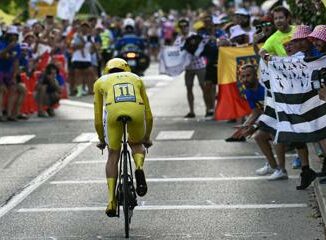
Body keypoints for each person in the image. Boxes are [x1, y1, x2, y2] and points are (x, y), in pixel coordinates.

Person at [93, 58, 153, 217]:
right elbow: (148, 113)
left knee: (113, 154)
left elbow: (98, 116)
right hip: (136, 112)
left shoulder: (100, 81)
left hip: (113, 113)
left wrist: (101, 139)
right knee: (136, 143)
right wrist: (147, 137)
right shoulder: (136, 78)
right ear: (126, 69)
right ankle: (139, 168)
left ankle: (111, 200)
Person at [174, 18, 209, 118]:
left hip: (199, 65)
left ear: (188, 26)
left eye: (185, 26)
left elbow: (201, 47)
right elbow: (176, 52)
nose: (184, 28)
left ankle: (208, 109)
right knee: (189, 88)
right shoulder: (178, 40)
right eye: (182, 27)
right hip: (188, 68)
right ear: (179, 28)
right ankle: (191, 111)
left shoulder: (194, 36)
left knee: (204, 87)